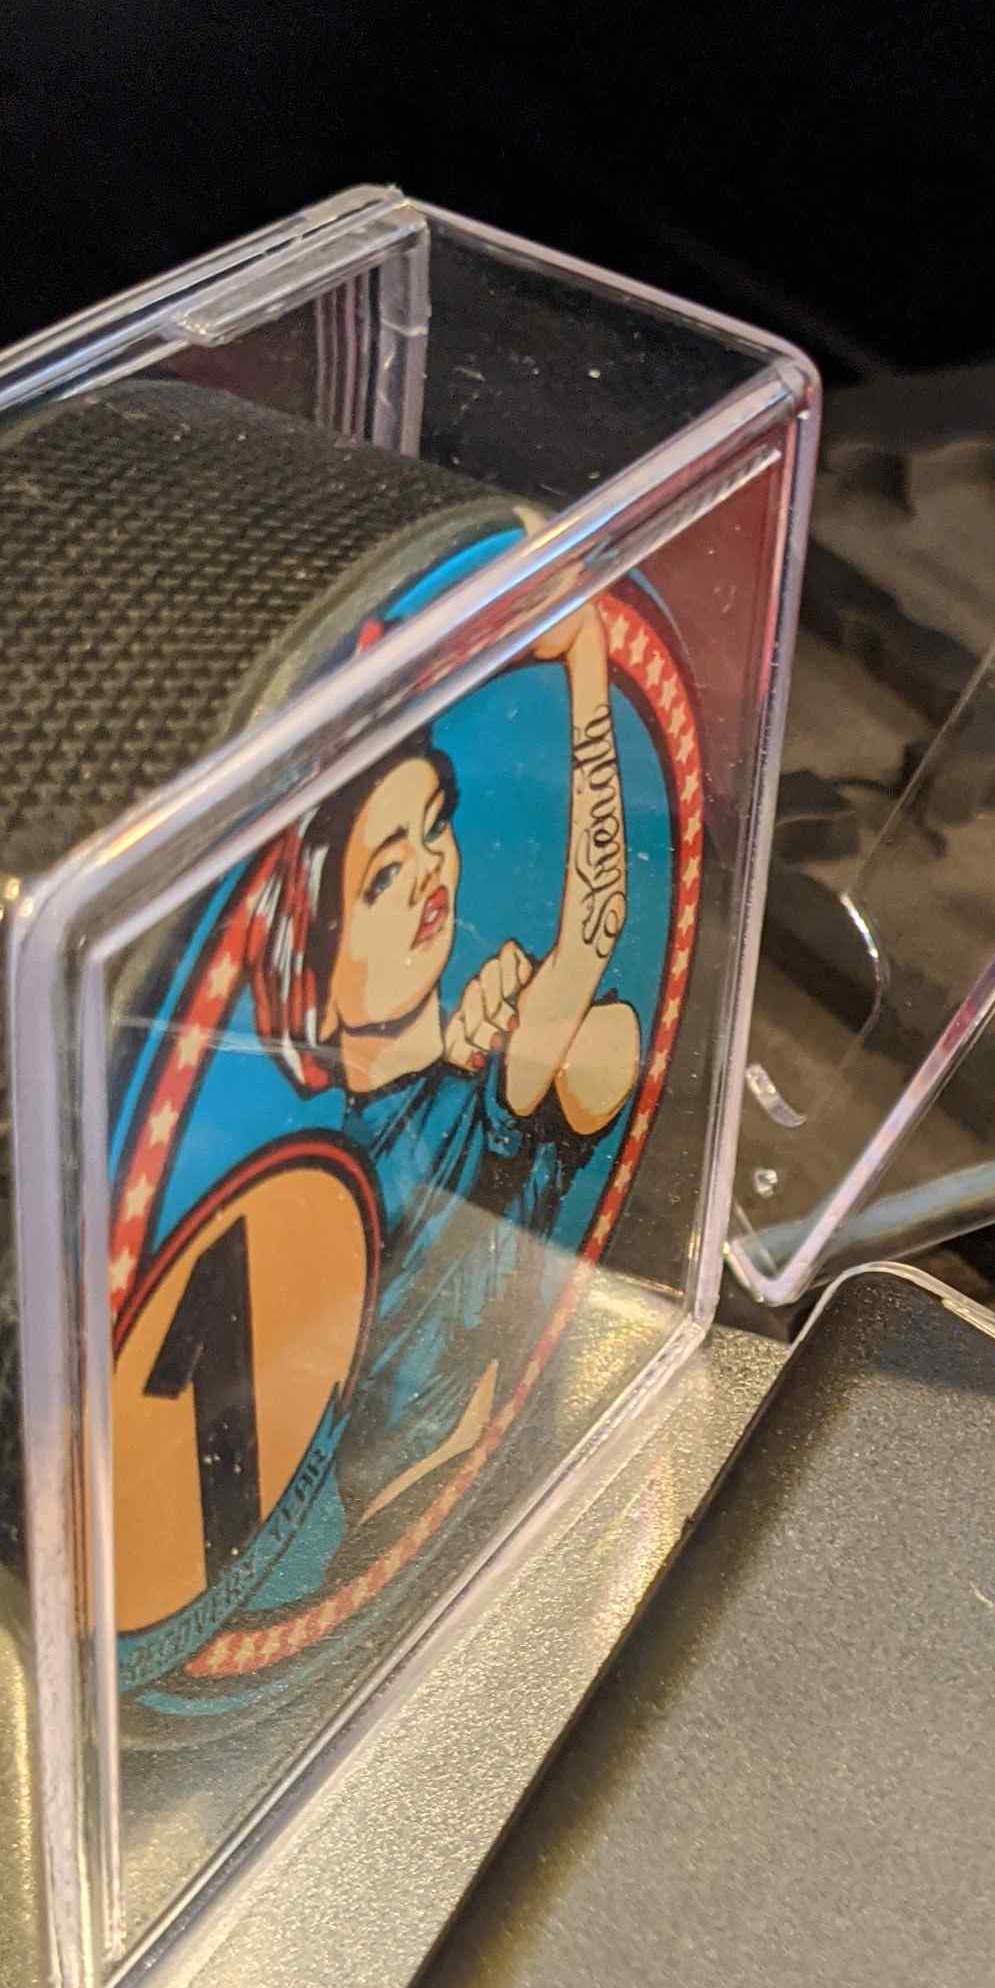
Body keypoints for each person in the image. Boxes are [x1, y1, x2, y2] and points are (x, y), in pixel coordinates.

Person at [238, 604, 642, 1538]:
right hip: (431, 1516)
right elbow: (595, 923)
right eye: (382, 876)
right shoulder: (428, 1128)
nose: (427, 870)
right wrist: (588, 667)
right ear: (316, 980)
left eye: (433, 827)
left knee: (607, 1036)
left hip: (506, 1490)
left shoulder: (415, 1121)